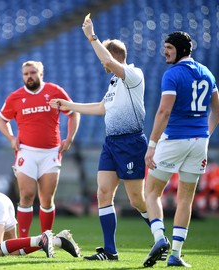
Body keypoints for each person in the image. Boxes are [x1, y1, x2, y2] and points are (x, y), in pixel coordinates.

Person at [50, 16, 150, 261]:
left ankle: (160, 234)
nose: (102, 65)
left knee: (137, 199)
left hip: (131, 142)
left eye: (106, 59)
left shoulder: (132, 74)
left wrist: (92, 36)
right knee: (103, 193)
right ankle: (110, 251)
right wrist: (67, 104)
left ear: (113, 56)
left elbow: (106, 59)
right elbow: (101, 107)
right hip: (111, 143)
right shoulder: (115, 82)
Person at [143, 31, 219, 268]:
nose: (164, 51)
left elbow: (164, 112)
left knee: (152, 192)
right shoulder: (207, 72)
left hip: (174, 139)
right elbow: (217, 109)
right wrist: (205, 133)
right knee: (185, 199)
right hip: (199, 142)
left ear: (181, 50)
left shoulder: (173, 74)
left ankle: (159, 239)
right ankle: (175, 254)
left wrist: (152, 145)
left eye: (168, 47)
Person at [0, 61, 80, 238]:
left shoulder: (54, 91)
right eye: (26, 74)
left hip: (51, 152)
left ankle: (45, 238)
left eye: (33, 73)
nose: (29, 76)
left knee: (46, 199)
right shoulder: (15, 97)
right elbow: (1, 119)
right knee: (26, 195)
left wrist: (70, 138)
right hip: (26, 151)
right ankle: (24, 240)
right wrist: (11, 138)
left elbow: (74, 113)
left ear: (41, 74)